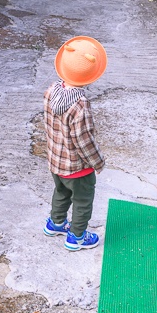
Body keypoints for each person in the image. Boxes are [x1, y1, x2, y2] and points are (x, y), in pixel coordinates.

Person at [42, 36, 107, 251]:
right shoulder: (80, 105)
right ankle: (77, 237)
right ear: (91, 76)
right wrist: (98, 162)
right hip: (77, 168)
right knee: (82, 200)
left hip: (56, 161)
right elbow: (84, 140)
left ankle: (56, 223)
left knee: (61, 191)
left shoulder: (51, 91)